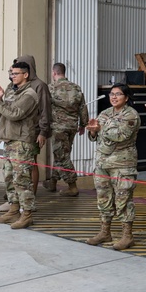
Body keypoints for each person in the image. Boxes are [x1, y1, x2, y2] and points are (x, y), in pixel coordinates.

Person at [86, 83, 140, 249]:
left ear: (126, 97)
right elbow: (94, 137)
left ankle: (127, 235)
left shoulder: (131, 115)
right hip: (103, 163)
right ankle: (105, 231)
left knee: (123, 199)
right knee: (104, 198)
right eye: (111, 94)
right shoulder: (105, 113)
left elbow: (121, 135)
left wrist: (100, 128)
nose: (113, 97)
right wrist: (93, 131)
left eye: (118, 94)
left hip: (122, 164)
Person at [0, 61, 40, 230]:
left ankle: (27, 214)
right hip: (9, 139)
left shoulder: (30, 94)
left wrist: (0, 102)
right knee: (9, 177)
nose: (12, 76)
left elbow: (14, 114)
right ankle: (13, 210)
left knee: (22, 180)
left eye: (16, 73)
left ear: (25, 75)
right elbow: (0, 112)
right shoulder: (12, 90)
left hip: (21, 141)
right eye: (11, 73)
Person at [0, 55, 51, 210]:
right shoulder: (13, 86)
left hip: (31, 131)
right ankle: (15, 201)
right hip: (12, 133)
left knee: (28, 165)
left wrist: (43, 132)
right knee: (11, 170)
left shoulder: (39, 85)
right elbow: (6, 108)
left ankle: (28, 200)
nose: (13, 74)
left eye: (17, 70)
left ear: (27, 70)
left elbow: (45, 110)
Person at [46, 62, 88, 196]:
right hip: (72, 127)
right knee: (61, 153)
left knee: (62, 156)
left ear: (54, 73)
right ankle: (53, 182)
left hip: (58, 127)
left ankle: (72, 186)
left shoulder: (51, 88)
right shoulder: (76, 87)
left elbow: (44, 108)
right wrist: (83, 124)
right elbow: (83, 107)